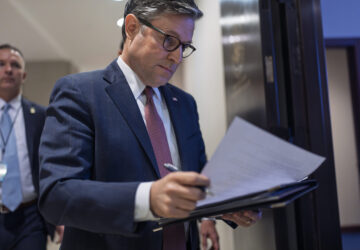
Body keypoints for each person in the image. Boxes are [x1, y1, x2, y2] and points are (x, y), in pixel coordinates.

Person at [38, 1, 261, 250]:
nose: (177, 57)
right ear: (132, 28)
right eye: (169, 40)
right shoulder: (80, 93)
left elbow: (197, 179)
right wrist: (148, 199)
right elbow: (57, 195)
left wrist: (227, 205)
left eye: (184, 46)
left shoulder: (184, 104)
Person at [0, 44, 64, 249]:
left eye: (15, 65)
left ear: (24, 75)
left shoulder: (41, 116)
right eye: (1, 64)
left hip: (30, 217)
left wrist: (59, 215)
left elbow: (52, 167)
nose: (8, 69)